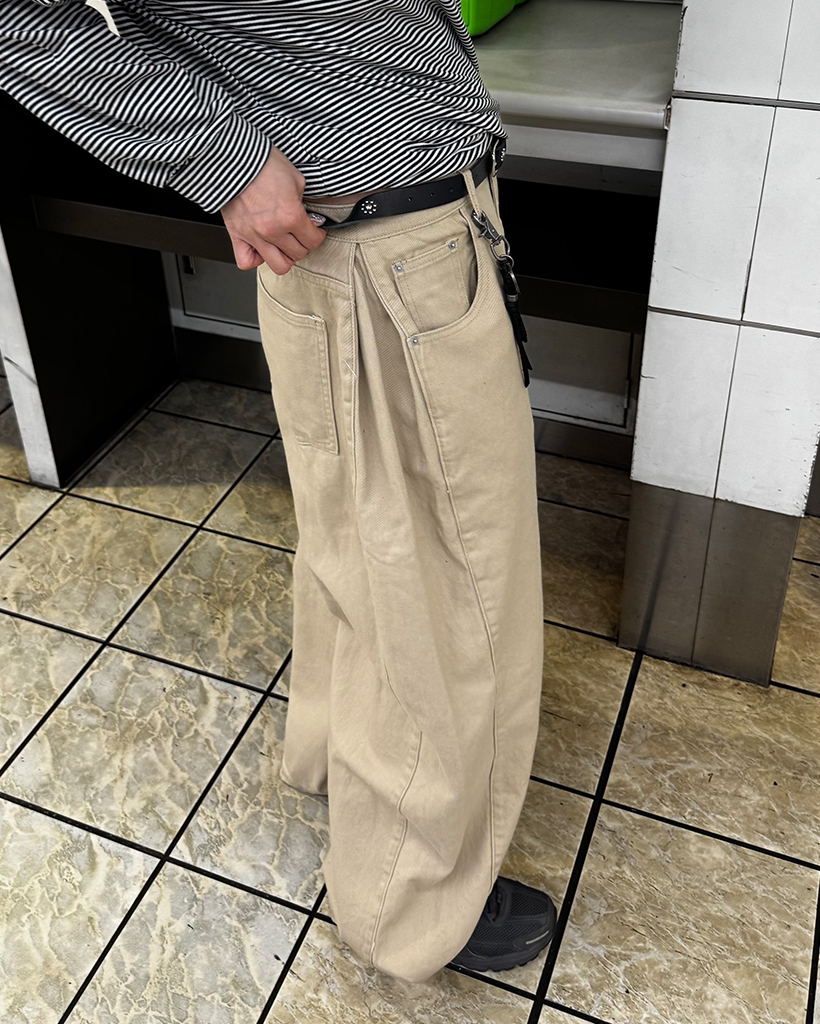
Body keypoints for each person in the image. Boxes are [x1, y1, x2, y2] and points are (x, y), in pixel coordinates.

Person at [1, 0, 555, 984]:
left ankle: (343, 759)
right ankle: (410, 899)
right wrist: (227, 159)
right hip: (384, 246)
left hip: (375, 237)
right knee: (448, 586)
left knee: (367, 548)